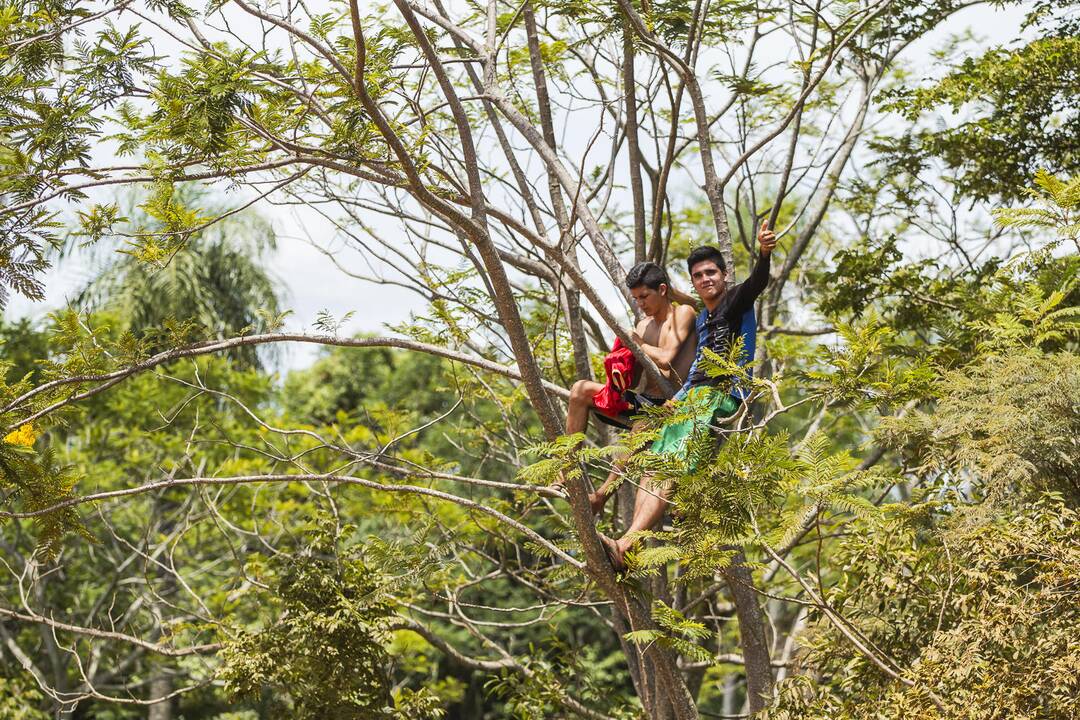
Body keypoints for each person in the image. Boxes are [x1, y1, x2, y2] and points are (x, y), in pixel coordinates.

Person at [597, 222, 778, 571]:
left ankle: (627, 543)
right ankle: (629, 546)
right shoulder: (702, 317)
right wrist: (678, 398)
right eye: (698, 275)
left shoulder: (735, 301)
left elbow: (757, 281)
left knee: (668, 464)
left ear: (725, 275)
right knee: (652, 461)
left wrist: (765, 253)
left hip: (720, 394)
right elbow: (687, 300)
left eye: (712, 272)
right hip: (691, 396)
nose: (706, 278)